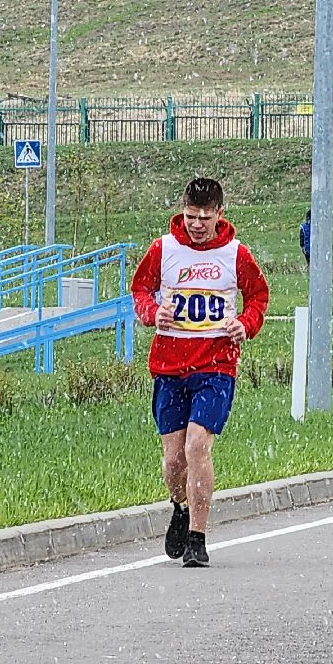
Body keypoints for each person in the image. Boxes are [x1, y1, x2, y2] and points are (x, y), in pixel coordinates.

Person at [131, 177, 270, 567]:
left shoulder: (236, 254)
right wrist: (150, 312)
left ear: (219, 215)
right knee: (174, 459)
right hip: (170, 365)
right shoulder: (163, 249)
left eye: (204, 218)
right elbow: (139, 290)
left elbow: (258, 295)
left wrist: (246, 322)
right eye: (191, 216)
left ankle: (198, 536)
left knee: (197, 446)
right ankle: (179, 505)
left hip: (215, 364)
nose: (196, 224)